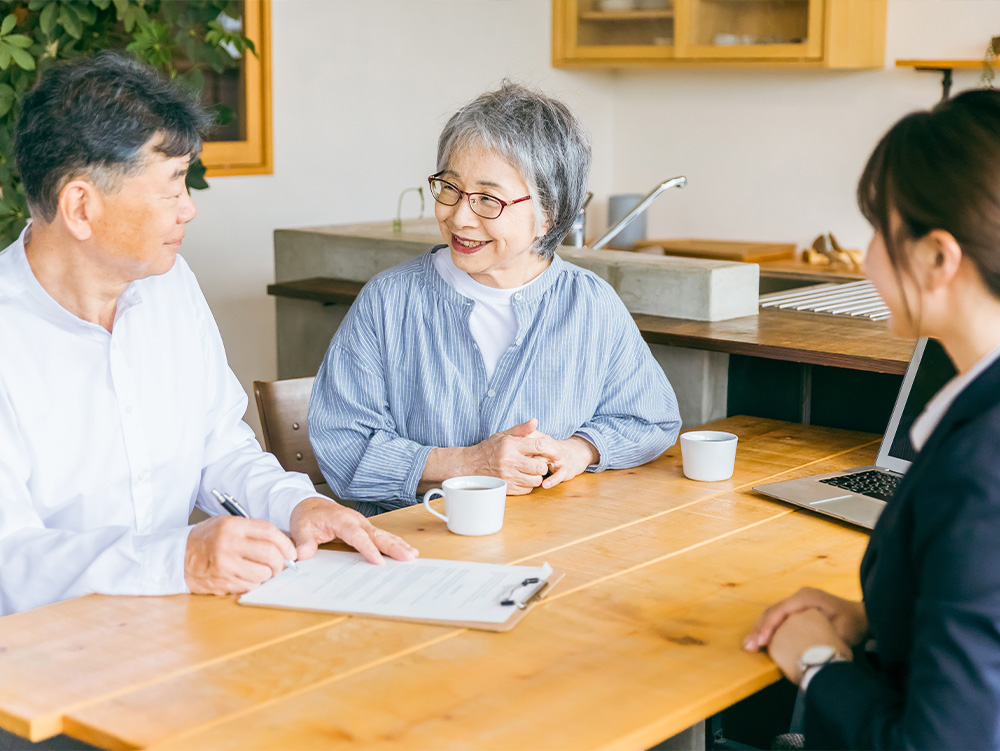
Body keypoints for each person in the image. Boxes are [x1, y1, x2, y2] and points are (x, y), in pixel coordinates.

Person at [0, 52, 417, 619]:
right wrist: (181, 560)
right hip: (36, 661)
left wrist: (299, 506)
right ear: (80, 206)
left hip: (176, 630)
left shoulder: (168, 286)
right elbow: (11, 557)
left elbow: (217, 444)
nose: (189, 210)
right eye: (172, 189)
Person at [744, 88, 1000, 749]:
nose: (866, 259)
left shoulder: (980, 470)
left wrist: (817, 663)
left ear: (939, 257)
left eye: (880, 233)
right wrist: (870, 619)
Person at [309, 82, 681, 516]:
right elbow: (343, 447)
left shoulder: (589, 304)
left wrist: (579, 451)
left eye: (488, 199)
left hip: (549, 543)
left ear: (551, 213)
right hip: (417, 547)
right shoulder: (389, 301)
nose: (459, 216)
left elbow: (651, 419)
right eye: (449, 188)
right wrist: (471, 463)